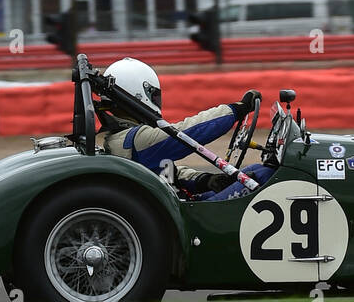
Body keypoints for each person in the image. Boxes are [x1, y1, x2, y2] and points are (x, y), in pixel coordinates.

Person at [99, 57, 276, 200]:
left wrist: (205, 180)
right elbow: (189, 131)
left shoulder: (126, 140)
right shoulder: (135, 140)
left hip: (173, 203)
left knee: (254, 169)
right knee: (264, 175)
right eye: (154, 95)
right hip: (176, 215)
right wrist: (236, 110)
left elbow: (167, 172)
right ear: (138, 93)